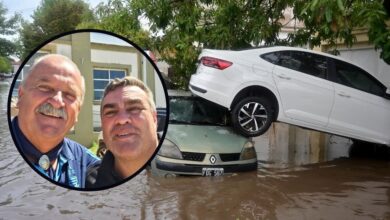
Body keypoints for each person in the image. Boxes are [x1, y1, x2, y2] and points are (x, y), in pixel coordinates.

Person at [11, 54, 100, 188]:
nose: (57, 101)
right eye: (45, 88)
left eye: (69, 95)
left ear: (77, 113)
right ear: (21, 96)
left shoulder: (85, 162)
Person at [87, 76, 158, 188]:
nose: (121, 119)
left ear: (154, 119)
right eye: (110, 112)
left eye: (134, 108)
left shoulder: (180, 169)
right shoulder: (84, 184)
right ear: (102, 125)